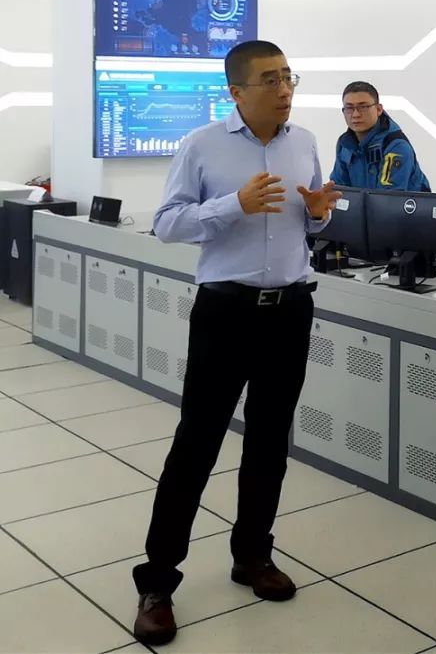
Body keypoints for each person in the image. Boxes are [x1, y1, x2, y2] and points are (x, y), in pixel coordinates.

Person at [131, 40, 341, 646]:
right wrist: (233, 205)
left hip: (290, 310)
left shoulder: (304, 142)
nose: (285, 89)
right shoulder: (202, 145)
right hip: (226, 312)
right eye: (271, 79)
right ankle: (158, 582)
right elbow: (167, 223)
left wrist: (319, 214)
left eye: (289, 77)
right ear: (237, 91)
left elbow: (309, 219)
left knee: (270, 442)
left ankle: (252, 555)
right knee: (196, 445)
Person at [330, 80, 430, 191]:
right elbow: (338, 190)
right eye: (349, 108)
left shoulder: (395, 146)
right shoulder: (344, 144)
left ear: (379, 109)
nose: (355, 114)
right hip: (364, 202)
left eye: (363, 107)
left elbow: (387, 197)